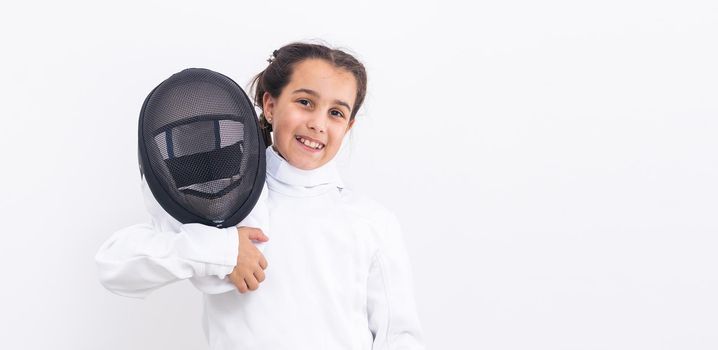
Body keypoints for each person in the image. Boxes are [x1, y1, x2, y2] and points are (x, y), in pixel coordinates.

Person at [95, 42, 425, 349]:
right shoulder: (222, 195)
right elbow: (115, 267)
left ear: (348, 126)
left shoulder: (371, 222)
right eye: (305, 102)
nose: (318, 124)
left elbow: (400, 337)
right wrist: (222, 250)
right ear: (270, 105)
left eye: (336, 113)